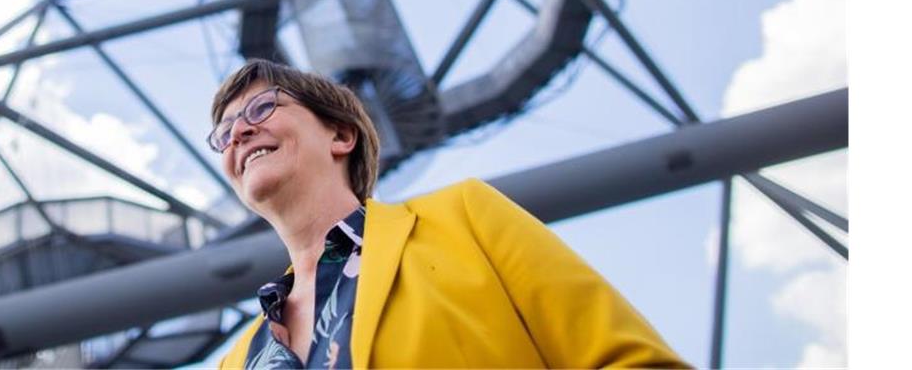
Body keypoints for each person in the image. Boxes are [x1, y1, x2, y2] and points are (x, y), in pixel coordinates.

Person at [208, 59, 689, 369]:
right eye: (225, 133)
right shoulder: (239, 359)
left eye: (262, 108)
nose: (239, 135)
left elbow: (630, 361)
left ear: (341, 136)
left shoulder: (465, 219)